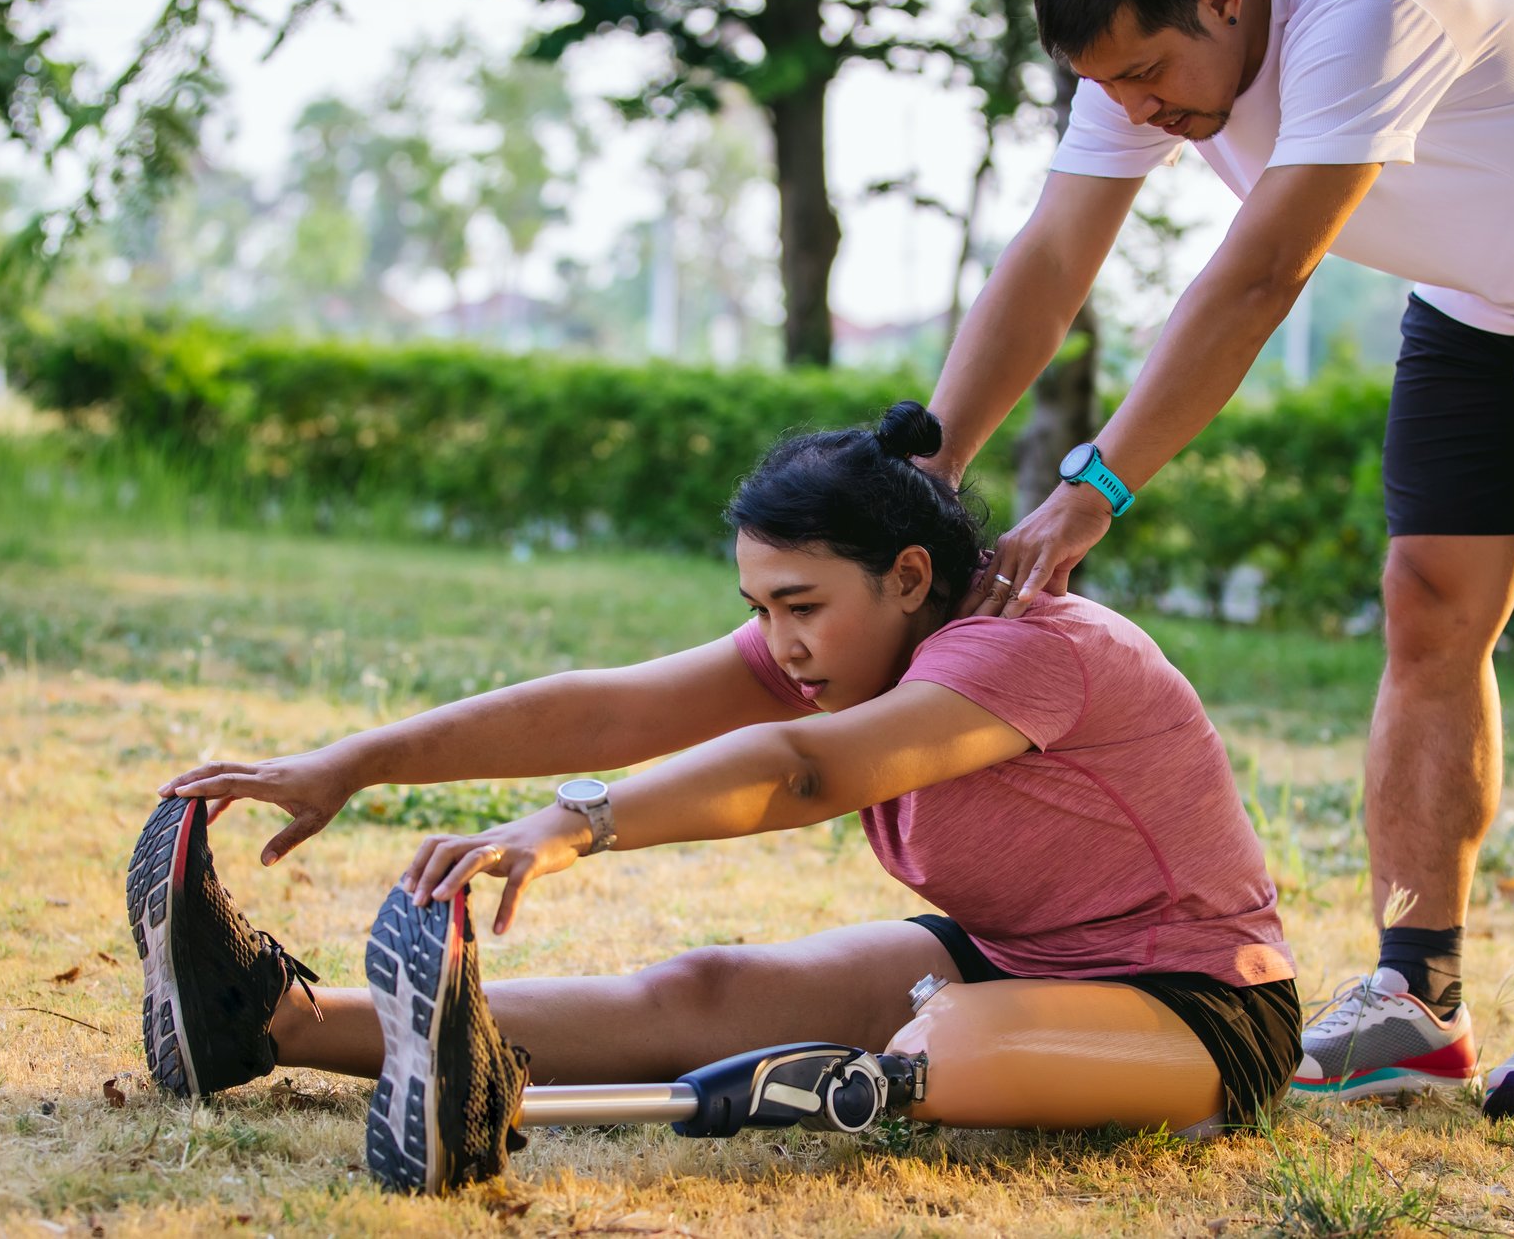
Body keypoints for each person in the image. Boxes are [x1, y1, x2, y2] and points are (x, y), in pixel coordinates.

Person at [921, 0, 1514, 1126]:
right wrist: (932, 463)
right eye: (1105, 87)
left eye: (1148, 78)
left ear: (1225, 1)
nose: (1133, 113)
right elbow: (1056, 252)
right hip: (1485, 296)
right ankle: (1414, 992)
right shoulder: (1133, 49)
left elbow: (1262, 274)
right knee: (1426, 607)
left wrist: (1092, 489)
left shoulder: (1372, 1)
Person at [129, 402, 1301, 1194]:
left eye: (798, 603)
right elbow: (603, 709)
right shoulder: (841, 642)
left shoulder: (1025, 650)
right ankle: (268, 1023)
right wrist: (351, 760)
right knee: (705, 985)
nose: (775, 641)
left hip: (1194, 1008)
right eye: (756, 608)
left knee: (936, 1038)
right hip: (1012, 952)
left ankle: (498, 1105)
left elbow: (805, 771)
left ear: (906, 578)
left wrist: (572, 823)